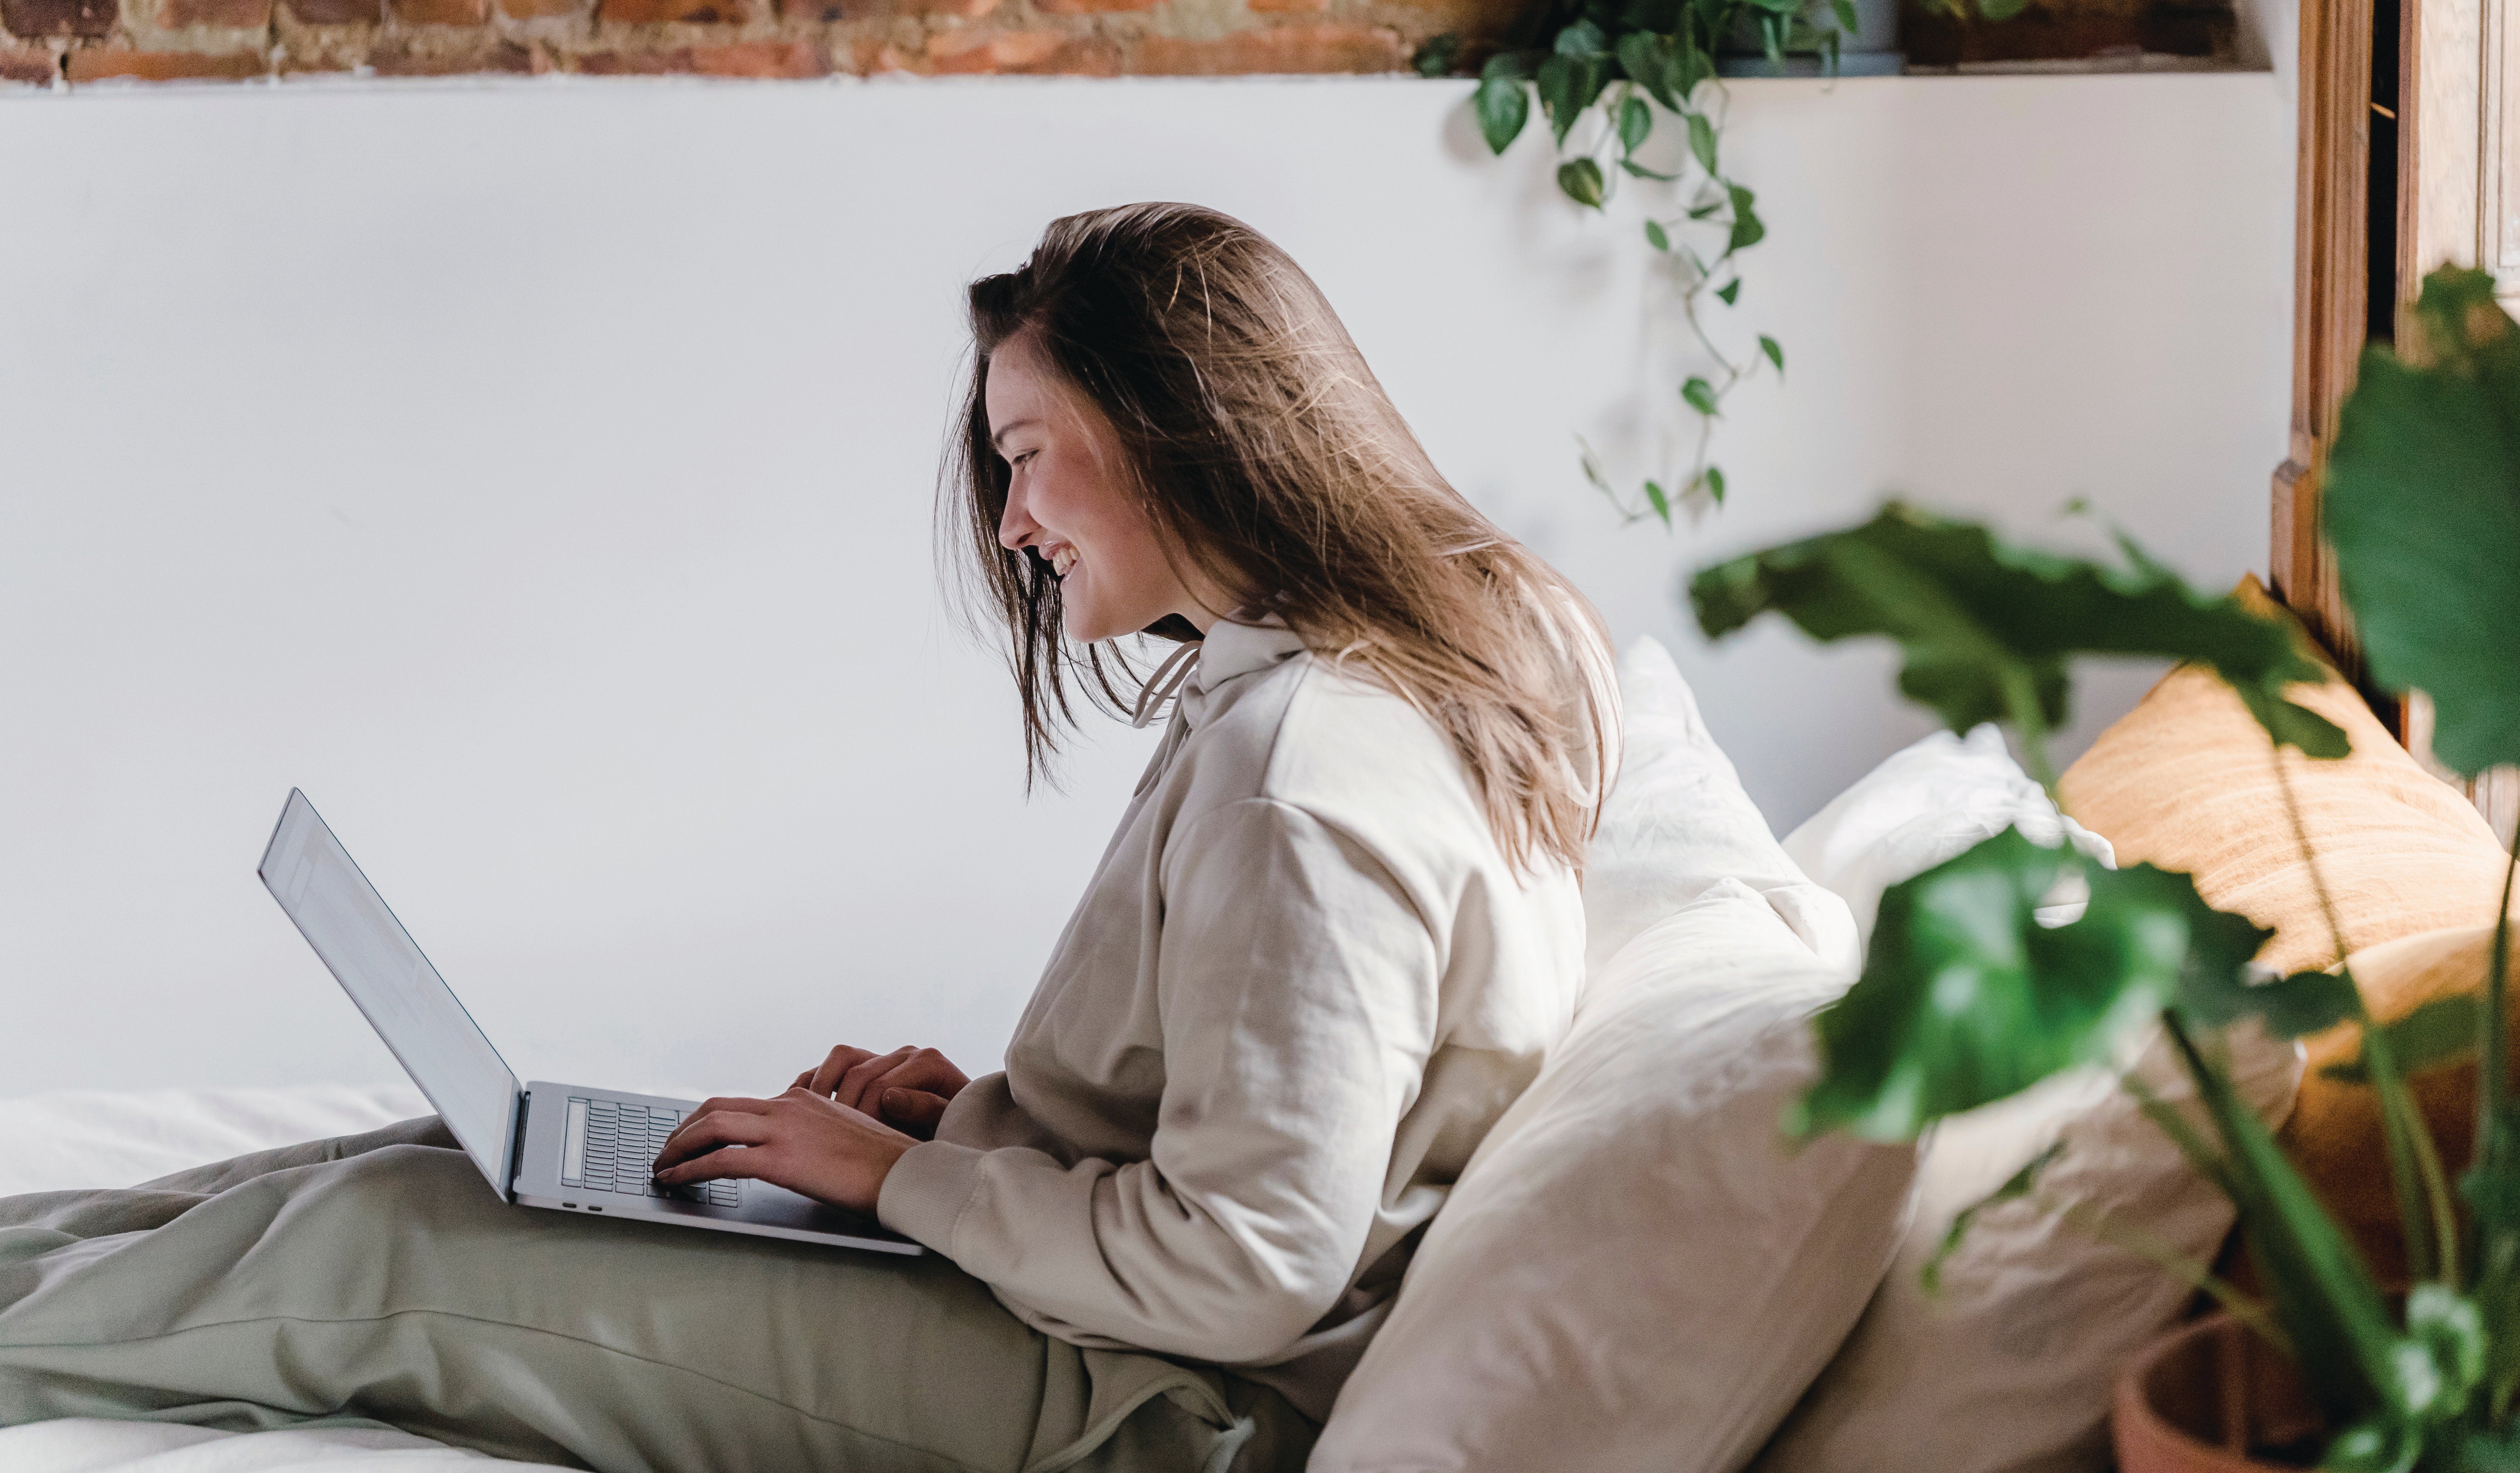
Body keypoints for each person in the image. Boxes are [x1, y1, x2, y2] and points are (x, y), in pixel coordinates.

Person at [0, 203, 1619, 1473]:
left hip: (1157, 1410)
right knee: (415, 1155)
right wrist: (990, 1124)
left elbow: (1252, 1269)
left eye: (1027, 457)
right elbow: (1277, 1110)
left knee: (392, 1240)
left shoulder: (1307, 770)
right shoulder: (1370, 668)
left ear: (1177, 426)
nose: (1012, 523)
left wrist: (914, 1179)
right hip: (1105, 1332)